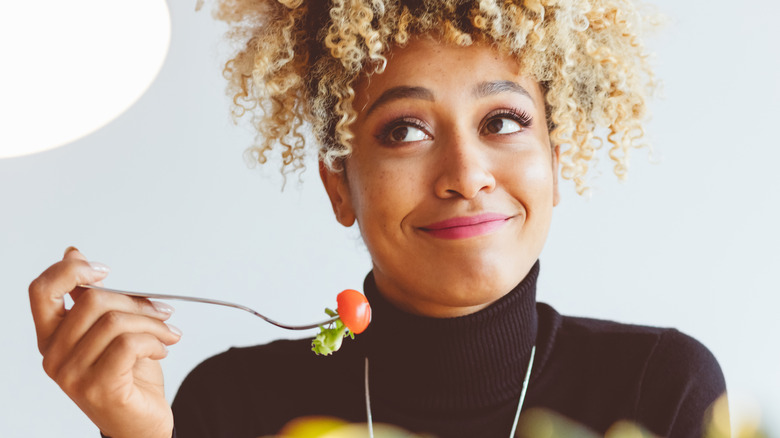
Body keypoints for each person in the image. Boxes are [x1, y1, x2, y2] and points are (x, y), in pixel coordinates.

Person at [28, 0, 728, 437]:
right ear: (340, 187)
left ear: (556, 158)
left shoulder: (657, 390)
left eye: (504, 120)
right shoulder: (234, 407)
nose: (464, 174)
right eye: (404, 131)